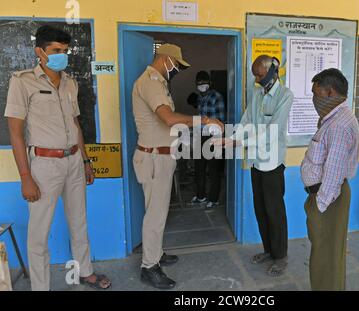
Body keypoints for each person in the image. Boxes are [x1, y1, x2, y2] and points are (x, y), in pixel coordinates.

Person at [4, 25, 111, 291]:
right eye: (55, 51)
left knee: (79, 221)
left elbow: (76, 126)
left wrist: (86, 162)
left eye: (65, 51)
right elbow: (15, 133)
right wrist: (26, 177)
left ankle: (85, 271)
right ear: (39, 51)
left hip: (74, 161)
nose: (62, 55)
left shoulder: (70, 83)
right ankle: (41, 288)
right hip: (43, 165)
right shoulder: (22, 81)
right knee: (39, 234)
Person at [132, 44, 223, 289]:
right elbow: (169, 118)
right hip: (153, 158)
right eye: (178, 65)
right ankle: (149, 266)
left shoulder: (158, 83)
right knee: (155, 214)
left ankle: (157, 253)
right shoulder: (151, 81)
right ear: (165, 59)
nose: (178, 70)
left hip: (160, 156)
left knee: (159, 211)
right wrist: (204, 119)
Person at [215, 55, 293, 276]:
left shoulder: (285, 96)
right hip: (256, 162)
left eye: (259, 74)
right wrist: (231, 136)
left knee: (275, 211)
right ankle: (269, 250)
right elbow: (246, 121)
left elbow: (272, 131)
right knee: (260, 209)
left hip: (273, 164)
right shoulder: (257, 93)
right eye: (255, 75)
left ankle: (281, 256)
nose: (256, 79)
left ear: (271, 71)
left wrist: (237, 141)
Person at [300, 68, 359, 291]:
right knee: (325, 256)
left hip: (328, 200)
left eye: (316, 93)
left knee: (326, 259)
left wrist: (319, 205)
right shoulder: (332, 119)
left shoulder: (339, 125)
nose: (313, 99)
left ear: (330, 92)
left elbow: (334, 173)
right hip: (325, 197)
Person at [190, 71, 226, 210]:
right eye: (199, 83)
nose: (202, 85)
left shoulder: (217, 97)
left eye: (204, 82)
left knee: (213, 170)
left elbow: (221, 120)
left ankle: (213, 199)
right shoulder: (199, 98)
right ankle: (201, 196)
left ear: (209, 83)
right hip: (200, 136)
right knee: (199, 168)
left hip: (213, 136)